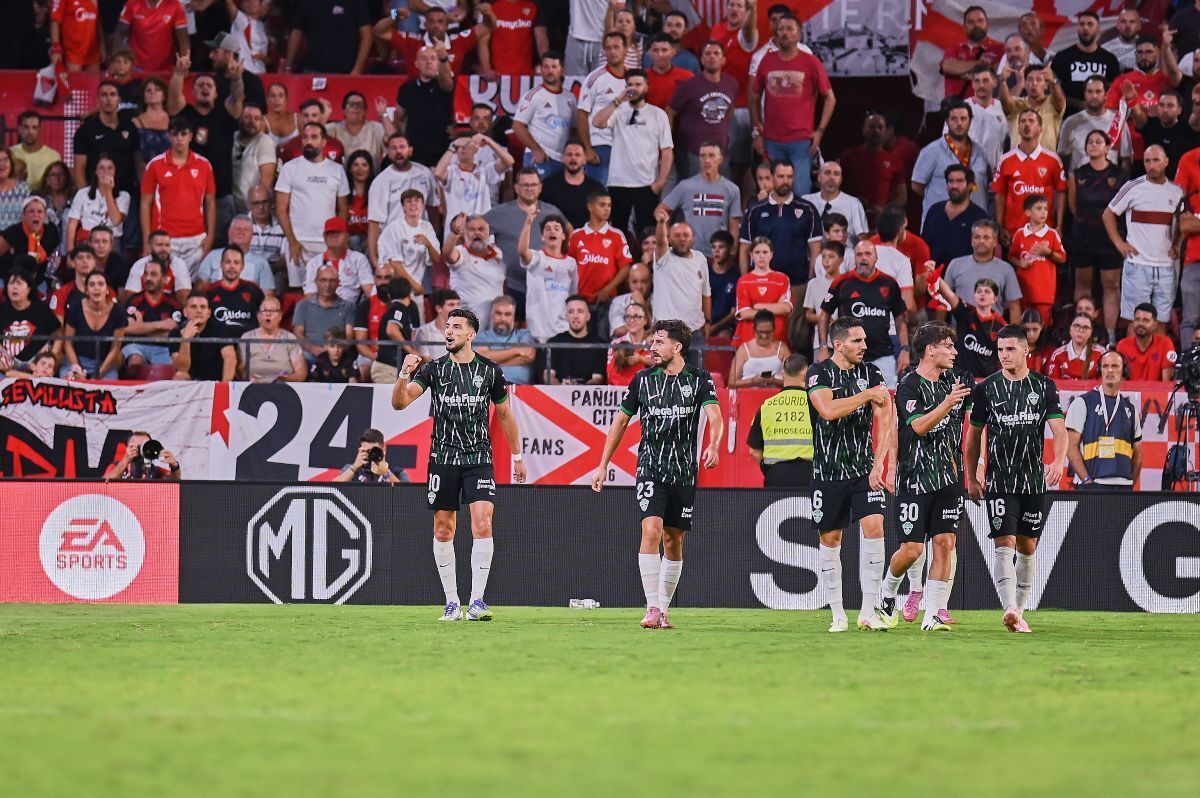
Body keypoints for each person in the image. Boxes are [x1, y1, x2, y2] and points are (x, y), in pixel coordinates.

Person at [394, 309, 527, 621]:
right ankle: (452, 602)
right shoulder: (435, 370)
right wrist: (403, 375)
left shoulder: (490, 372)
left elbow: (505, 415)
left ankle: (477, 600)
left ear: (471, 334)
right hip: (443, 460)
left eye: (456, 327)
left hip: (479, 459)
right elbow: (400, 403)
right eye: (447, 327)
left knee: (482, 523)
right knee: (443, 529)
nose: (449, 332)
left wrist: (518, 457)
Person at [591, 319, 723, 629]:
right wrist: (602, 463)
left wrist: (714, 445)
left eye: (659, 341)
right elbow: (621, 422)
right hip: (650, 467)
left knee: (674, 541)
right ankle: (651, 607)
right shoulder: (642, 380)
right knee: (650, 531)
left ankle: (663, 610)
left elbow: (715, 416)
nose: (652, 347)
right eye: (653, 341)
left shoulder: (700, 379)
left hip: (684, 472)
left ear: (677, 347)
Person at [966, 324, 1068, 633]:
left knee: (1027, 546)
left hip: (1033, 481)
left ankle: (1019, 612)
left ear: (1027, 350)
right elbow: (973, 437)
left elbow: (1059, 430)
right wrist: (971, 476)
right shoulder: (986, 388)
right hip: (1000, 481)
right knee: (1004, 543)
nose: (1004, 355)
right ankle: (1009, 607)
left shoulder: (1044, 386)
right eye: (1000, 350)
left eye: (1010, 349)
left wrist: (1059, 459)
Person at [873, 322, 971, 633]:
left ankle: (933, 615)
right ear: (930, 350)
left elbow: (980, 415)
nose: (954, 352)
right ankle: (888, 594)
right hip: (915, 477)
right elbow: (917, 427)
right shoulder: (908, 385)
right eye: (948, 346)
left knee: (944, 543)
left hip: (949, 477)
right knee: (913, 549)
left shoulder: (956, 381)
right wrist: (947, 403)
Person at [806, 316, 893, 632]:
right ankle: (838, 614)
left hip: (863, 470)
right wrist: (867, 396)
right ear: (838, 344)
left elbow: (886, 417)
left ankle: (869, 611)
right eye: (857, 341)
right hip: (828, 471)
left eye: (865, 340)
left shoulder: (871, 372)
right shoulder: (818, 373)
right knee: (831, 538)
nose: (865, 346)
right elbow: (828, 411)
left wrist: (881, 462)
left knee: (875, 527)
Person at [749, 13, 834, 196]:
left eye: (789, 29)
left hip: (801, 142)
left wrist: (819, 131)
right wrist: (757, 130)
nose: (784, 33)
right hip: (771, 141)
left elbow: (830, 98)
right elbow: (754, 97)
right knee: (774, 193)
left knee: (800, 193)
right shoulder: (766, 60)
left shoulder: (810, 62)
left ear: (799, 34)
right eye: (780, 29)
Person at [1104, 145, 1184, 327]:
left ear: (1166, 162)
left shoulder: (1176, 191)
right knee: (1135, 321)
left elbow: (1182, 223)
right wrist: (1119, 243)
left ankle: (1158, 356)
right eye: (1147, 161)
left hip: (1166, 266)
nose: (1151, 165)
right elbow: (1108, 213)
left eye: (1156, 160)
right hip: (1137, 265)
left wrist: (1177, 245)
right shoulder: (1133, 187)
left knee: (1161, 321)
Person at [593, 69, 673, 238]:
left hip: (646, 183)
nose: (633, 88)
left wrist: (661, 181)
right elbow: (597, 122)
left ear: (646, 87)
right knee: (618, 231)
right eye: (630, 84)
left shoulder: (658, 114)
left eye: (638, 84)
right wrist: (618, 100)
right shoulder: (617, 110)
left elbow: (667, 150)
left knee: (647, 232)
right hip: (618, 182)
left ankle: (645, 264)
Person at [819, 240, 909, 386]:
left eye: (868, 254)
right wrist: (823, 347)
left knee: (886, 401)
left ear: (876, 257)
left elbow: (901, 320)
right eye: (859, 254)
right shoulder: (841, 282)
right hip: (847, 356)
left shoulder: (889, 283)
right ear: (854, 257)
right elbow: (824, 315)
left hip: (883, 356)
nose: (863, 258)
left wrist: (905, 349)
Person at [275, 122, 350, 289]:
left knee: (330, 290)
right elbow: (281, 209)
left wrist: (339, 240)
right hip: (298, 242)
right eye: (305, 137)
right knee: (299, 291)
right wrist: (292, 240)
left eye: (314, 137)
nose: (308, 141)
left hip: (327, 242)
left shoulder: (337, 170)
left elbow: (343, 210)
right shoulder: (289, 168)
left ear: (324, 142)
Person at [140, 115, 216, 276]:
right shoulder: (155, 165)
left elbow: (210, 203)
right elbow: (145, 204)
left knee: (194, 287)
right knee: (165, 285)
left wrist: (210, 236)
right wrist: (147, 240)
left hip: (196, 239)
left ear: (191, 136)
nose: (179, 139)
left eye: (183, 134)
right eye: (175, 134)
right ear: (168, 136)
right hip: (165, 238)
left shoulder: (204, 165)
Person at [1069, 130, 1126, 338]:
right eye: (1090, 142)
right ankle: (1080, 331)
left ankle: (1109, 334)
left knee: (1111, 285)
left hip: (1110, 240)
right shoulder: (1077, 174)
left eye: (1098, 142)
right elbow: (1074, 207)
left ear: (1108, 148)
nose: (1093, 145)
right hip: (1083, 237)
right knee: (1082, 284)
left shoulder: (1119, 175)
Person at [738, 160, 821, 301]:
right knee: (763, 323)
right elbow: (744, 249)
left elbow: (815, 249)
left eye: (789, 177)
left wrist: (810, 280)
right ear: (771, 177)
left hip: (798, 283)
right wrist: (745, 280)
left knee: (796, 324)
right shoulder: (755, 210)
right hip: (761, 282)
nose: (785, 181)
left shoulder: (808, 209)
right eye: (781, 176)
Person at [1065, 351, 1142, 491]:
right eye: (1105, 366)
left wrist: (1130, 482)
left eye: (1115, 366)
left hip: (1123, 485)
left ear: (1123, 371)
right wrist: (1086, 480)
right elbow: (1070, 446)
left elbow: (1138, 453)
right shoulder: (1082, 403)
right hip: (1093, 484)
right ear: (1100, 370)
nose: (1110, 370)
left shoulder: (1131, 409)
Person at [911, 101, 990, 227]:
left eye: (963, 119)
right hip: (940, 223)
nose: (959, 123)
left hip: (975, 225)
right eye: (954, 119)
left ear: (970, 121)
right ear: (947, 122)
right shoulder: (931, 151)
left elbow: (987, 185)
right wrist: (940, 198)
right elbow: (916, 185)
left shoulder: (981, 153)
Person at [657, 142, 741, 258]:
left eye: (711, 156)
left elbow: (734, 227)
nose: (707, 160)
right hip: (691, 254)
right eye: (703, 156)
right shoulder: (686, 186)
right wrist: (671, 239)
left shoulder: (732, 190)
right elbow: (660, 210)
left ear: (721, 159)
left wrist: (732, 253)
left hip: (718, 255)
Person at [368, 134, 442, 263]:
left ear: (410, 150)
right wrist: (374, 258)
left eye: (402, 147)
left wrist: (433, 240)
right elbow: (374, 223)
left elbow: (433, 210)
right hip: (393, 248)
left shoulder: (425, 174)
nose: (398, 151)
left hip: (421, 249)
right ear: (388, 153)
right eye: (393, 148)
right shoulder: (380, 181)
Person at [668, 42, 738, 180]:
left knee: (720, 194)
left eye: (716, 53)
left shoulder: (731, 84)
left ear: (724, 59)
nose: (712, 57)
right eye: (707, 53)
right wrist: (669, 144)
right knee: (695, 196)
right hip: (693, 152)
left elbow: (729, 111)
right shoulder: (689, 85)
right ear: (701, 60)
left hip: (720, 152)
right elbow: (670, 112)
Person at [650, 210, 711, 367]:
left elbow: (706, 293)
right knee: (665, 378)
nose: (682, 239)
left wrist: (708, 322)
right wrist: (662, 223)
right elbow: (660, 241)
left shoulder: (701, 259)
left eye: (686, 235)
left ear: (693, 239)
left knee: (695, 379)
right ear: (670, 238)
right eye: (677, 235)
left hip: (694, 331)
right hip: (666, 331)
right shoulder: (663, 257)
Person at [568, 191, 634, 329]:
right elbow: (569, 267)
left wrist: (607, 290)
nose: (607, 209)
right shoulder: (576, 236)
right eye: (602, 205)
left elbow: (626, 267)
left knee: (603, 340)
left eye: (609, 205)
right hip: (581, 300)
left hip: (607, 301)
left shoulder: (616, 235)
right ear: (590, 207)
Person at [746, 353, 812, 486]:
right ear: (806, 373)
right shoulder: (817, 404)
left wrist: (769, 470)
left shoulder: (766, 406)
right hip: (810, 476)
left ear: (783, 373)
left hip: (776, 476)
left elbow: (754, 451)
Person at [575, 31, 630, 185]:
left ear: (626, 49)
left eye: (616, 47)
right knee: (599, 194)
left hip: (627, 147)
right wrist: (588, 148)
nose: (612, 51)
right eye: (608, 48)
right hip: (601, 146)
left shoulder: (633, 79)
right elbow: (582, 115)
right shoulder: (595, 78)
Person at [942, 219, 1024, 322]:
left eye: (986, 237)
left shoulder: (1006, 269)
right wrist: (940, 331)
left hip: (994, 333)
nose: (981, 241)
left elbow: (1014, 307)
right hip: (960, 333)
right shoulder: (955, 265)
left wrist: (1014, 336)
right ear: (971, 241)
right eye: (977, 237)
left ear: (995, 242)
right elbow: (942, 300)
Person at [512, 51, 576, 180]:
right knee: (537, 197)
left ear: (562, 70)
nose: (549, 71)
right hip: (540, 157)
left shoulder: (570, 97)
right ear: (540, 70)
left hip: (563, 159)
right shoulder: (533, 96)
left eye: (554, 67)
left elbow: (574, 128)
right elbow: (518, 126)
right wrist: (536, 149)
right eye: (546, 67)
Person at [518, 209, 577, 343]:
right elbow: (522, 252)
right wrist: (528, 223)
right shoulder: (538, 258)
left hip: (563, 329)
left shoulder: (571, 263)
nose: (552, 231)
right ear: (542, 236)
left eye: (557, 228)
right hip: (538, 330)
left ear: (563, 235)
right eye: (548, 229)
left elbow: (573, 295)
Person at [1008, 195, 1067, 325]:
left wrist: (1048, 252)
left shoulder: (1052, 234)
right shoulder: (1019, 234)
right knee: (1024, 324)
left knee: (1043, 325)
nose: (1043, 212)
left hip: (1044, 292)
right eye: (1039, 208)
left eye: (1046, 209)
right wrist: (1020, 263)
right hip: (1023, 290)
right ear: (1028, 212)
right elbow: (1011, 256)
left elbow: (1062, 258)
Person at [931, 274, 1004, 378]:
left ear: (995, 298)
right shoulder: (966, 312)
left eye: (987, 291)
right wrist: (933, 273)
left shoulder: (1001, 325)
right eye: (979, 291)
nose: (982, 294)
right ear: (974, 295)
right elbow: (950, 295)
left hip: (986, 382)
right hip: (960, 379)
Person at [394, 46, 456, 168]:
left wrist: (444, 58)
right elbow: (399, 117)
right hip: (415, 152)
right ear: (416, 64)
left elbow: (447, 81)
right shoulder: (407, 89)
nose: (429, 62)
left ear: (438, 63)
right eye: (424, 58)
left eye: (433, 58)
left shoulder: (443, 86)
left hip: (441, 151)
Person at [838, 113, 907, 220]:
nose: (876, 131)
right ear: (864, 130)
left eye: (880, 127)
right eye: (871, 126)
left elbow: (902, 196)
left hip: (880, 222)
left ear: (886, 131)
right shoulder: (848, 157)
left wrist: (884, 210)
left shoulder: (894, 161)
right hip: (850, 218)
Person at [1058, 77, 1132, 173]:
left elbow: (1126, 159)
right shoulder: (1070, 122)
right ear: (1084, 94)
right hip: (1078, 184)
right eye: (1090, 91)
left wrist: (1121, 184)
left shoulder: (1118, 121)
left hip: (1110, 184)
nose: (1094, 96)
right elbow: (1063, 158)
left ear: (1106, 95)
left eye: (1098, 92)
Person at [377, 189, 439, 302]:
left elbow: (437, 260)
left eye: (417, 200)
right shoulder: (395, 228)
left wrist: (429, 245)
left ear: (423, 205)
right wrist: (415, 286)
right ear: (403, 206)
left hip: (416, 289)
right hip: (397, 290)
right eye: (409, 201)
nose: (413, 204)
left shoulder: (427, 227)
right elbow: (395, 263)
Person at [1051, 12, 1120, 112]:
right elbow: (1053, 90)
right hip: (1069, 116)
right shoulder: (1062, 57)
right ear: (1077, 28)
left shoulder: (1109, 59)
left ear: (1098, 28)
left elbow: (1114, 91)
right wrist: (1078, 104)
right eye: (1082, 24)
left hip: (1101, 116)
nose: (1085, 28)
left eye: (1090, 24)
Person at [61, 271, 125, 380]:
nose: (96, 288)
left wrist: (97, 377)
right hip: (76, 360)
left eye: (101, 284)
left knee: (107, 390)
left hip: (105, 364)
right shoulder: (75, 308)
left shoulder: (118, 312)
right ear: (86, 290)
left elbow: (115, 349)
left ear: (107, 290)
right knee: (67, 384)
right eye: (92, 284)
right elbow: (68, 344)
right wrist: (77, 370)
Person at [443, 214, 506, 325]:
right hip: (467, 325)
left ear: (488, 232)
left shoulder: (498, 254)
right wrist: (454, 232)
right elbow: (447, 254)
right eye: (472, 229)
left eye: (481, 229)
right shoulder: (461, 253)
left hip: (494, 326)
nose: (477, 233)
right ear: (465, 232)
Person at [1126, 88, 1200, 179]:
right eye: (1161, 105)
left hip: (1181, 182)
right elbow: (1137, 113)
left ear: (1179, 110)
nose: (1165, 109)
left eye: (1170, 106)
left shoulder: (1187, 128)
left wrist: (1197, 102)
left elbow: (1197, 114)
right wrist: (1131, 99)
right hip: (1153, 182)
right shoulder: (1150, 125)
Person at [122, 258, 181, 371]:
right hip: (135, 345)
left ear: (164, 279)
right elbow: (126, 328)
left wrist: (140, 328)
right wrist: (162, 325)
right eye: (146, 274)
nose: (148, 278)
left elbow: (172, 332)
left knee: (169, 369)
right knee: (135, 361)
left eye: (153, 274)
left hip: (163, 348)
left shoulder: (174, 304)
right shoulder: (133, 301)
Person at [285, 0, 371, 75]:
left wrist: (357, 69)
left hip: (344, 72)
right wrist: (288, 66)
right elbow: (296, 33)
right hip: (311, 70)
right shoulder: (308, 2)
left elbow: (367, 36)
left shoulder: (355, 2)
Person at [733, 236, 790, 345]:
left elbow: (786, 308)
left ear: (771, 254)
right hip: (749, 338)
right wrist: (775, 308)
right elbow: (744, 313)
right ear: (751, 255)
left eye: (765, 252)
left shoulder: (782, 279)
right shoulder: (743, 281)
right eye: (757, 252)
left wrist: (757, 306)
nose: (761, 256)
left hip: (777, 337)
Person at [293, 264, 354, 364]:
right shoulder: (303, 305)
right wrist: (315, 350)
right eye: (323, 280)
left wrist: (333, 352)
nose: (328, 285)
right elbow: (298, 334)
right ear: (316, 282)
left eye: (332, 281)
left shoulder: (348, 307)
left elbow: (349, 336)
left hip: (338, 355)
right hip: (310, 354)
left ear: (338, 283)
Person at [0, 266, 59, 370]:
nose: (14, 287)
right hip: (6, 366)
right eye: (11, 283)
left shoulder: (42, 309)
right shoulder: (2, 309)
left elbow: (58, 334)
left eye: (19, 283)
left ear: (29, 289)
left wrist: (51, 357)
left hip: (38, 366)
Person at [196, 216, 274, 293]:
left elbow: (268, 296)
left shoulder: (261, 262)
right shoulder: (212, 256)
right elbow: (200, 289)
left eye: (246, 229)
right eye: (237, 228)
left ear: (252, 235)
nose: (241, 232)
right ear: (229, 232)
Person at [939, 5, 1004, 100]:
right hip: (956, 110)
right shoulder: (954, 49)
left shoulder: (999, 48)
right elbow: (948, 67)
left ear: (987, 24)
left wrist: (961, 73)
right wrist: (982, 65)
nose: (976, 25)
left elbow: (998, 73)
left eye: (980, 21)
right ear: (964, 26)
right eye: (971, 22)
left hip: (986, 109)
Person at [302, 217, 373, 304]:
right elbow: (310, 295)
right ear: (324, 237)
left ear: (347, 237)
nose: (334, 236)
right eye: (330, 233)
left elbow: (370, 290)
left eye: (338, 232)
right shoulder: (314, 263)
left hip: (351, 310)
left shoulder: (359, 259)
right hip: (323, 310)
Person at [168, 293, 235, 381]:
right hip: (190, 382)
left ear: (209, 313)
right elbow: (182, 369)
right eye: (193, 307)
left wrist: (224, 386)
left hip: (215, 382)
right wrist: (186, 340)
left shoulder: (220, 330)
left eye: (203, 307)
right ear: (185, 312)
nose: (199, 310)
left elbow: (230, 358)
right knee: (179, 376)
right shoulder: (175, 333)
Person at [539, 142, 606, 231]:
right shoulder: (548, 185)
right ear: (563, 158)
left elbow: (602, 220)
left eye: (577, 155)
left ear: (585, 159)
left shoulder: (597, 189)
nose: (573, 158)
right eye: (569, 155)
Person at [239, 296, 306, 383]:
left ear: (280, 316)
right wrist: (251, 381)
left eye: (273, 311)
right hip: (254, 388)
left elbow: (301, 373)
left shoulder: (290, 338)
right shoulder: (247, 337)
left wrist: (286, 379)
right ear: (258, 315)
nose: (268, 314)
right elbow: (240, 369)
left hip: (283, 388)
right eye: (264, 310)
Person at [65, 155, 128, 248]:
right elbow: (72, 223)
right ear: (96, 171)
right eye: (101, 168)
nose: (106, 172)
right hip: (87, 239)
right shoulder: (82, 193)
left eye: (110, 168)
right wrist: (70, 251)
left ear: (115, 171)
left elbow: (116, 221)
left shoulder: (124, 196)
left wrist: (108, 192)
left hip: (111, 241)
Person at [203, 245, 263, 339]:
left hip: (247, 345)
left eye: (236, 262)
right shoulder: (208, 291)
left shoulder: (254, 290)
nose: (232, 266)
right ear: (221, 264)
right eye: (228, 262)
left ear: (242, 266)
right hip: (216, 346)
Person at [473, 296, 536, 385]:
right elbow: (482, 358)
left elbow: (528, 355)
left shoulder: (524, 334)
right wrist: (517, 350)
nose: (503, 319)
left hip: (521, 389)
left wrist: (493, 364)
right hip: (489, 388)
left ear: (514, 317)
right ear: (492, 315)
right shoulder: (482, 336)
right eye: (498, 313)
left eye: (508, 314)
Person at [0, 196, 61, 286]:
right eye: (31, 211)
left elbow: (54, 256)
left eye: (40, 212)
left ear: (44, 216)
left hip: (39, 281)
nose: (35, 215)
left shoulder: (51, 232)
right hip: (10, 281)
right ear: (23, 216)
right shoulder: (13, 232)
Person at [545, 296, 606, 385]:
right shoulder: (553, 343)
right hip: (558, 395)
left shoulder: (599, 345)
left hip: (588, 397)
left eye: (580, 311)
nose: (575, 316)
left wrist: (578, 389)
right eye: (571, 312)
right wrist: (561, 387)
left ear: (588, 316)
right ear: (566, 316)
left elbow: (597, 379)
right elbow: (548, 377)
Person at [115, 0, 189, 72]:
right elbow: (119, 34)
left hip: (164, 68)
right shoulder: (132, 3)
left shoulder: (176, 6)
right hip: (136, 68)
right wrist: (115, 61)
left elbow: (183, 41)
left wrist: (184, 62)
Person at [803, 161, 869, 241]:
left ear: (841, 180)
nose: (831, 177)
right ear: (819, 177)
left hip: (844, 251)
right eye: (827, 173)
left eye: (836, 174)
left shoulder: (853, 203)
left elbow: (862, 237)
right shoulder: (805, 201)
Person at [232, 103, 276, 215]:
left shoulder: (265, 142)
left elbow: (266, 181)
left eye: (257, 118)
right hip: (229, 205)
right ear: (239, 118)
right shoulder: (231, 138)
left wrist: (257, 210)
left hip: (251, 208)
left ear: (262, 122)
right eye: (247, 117)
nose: (252, 122)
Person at [1116, 303, 1178, 381]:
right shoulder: (1123, 345)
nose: (1140, 323)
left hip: (1157, 392)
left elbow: (1167, 383)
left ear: (1155, 325)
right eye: (1137, 319)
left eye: (1146, 320)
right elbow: (1120, 382)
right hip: (1130, 392)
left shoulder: (1165, 343)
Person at [327, 92, 388, 169]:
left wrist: (383, 114)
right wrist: (324, 117)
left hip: (373, 179)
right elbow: (315, 138)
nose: (355, 108)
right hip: (340, 179)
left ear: (365, 111)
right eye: (351, 105)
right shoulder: (333, 128)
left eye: (359, 105)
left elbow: (393, 139)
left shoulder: (375, 128)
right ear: (344, 111)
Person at [731, 309, 789, 388]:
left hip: (777, 397)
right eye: (760, 332)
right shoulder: (743, 350)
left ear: (774, 329)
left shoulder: (782, 348)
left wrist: (774, 381)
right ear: (754, 329)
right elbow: (732, 382)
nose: (764, 336)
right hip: (749, 395)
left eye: (768, 332)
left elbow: (793, 381)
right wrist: (752, 381)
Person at [1044, 312, 1104, 380]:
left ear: (1091, 333)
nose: (1080, 330)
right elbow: (1053, 385)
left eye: (1086, 327)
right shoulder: (1057, 355)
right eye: (1076, 326)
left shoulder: (1101, 354)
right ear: (1070, 329)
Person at [49, 0, 104, 73]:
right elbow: (55, 21)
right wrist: (56, 47)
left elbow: (97, 22)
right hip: (72, 50)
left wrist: (102, 45)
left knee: (93, 82)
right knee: (74, 81)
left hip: (92, 50)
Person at [11, 111, 62, 190]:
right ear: (19, 129)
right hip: (15, 200)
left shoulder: (53, 157)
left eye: (34, 127)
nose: (30, 132)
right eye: (26, 127)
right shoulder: (10, 154)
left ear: (40, 130)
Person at [333, 429, 404, 484]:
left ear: (384, 450)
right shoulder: (351, 469)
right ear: (360, 450)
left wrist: (386, 473)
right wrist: (354, 467)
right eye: (367, 451)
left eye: (374, 450)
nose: (371, 454)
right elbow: (332, 489)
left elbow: (408, 494)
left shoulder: (396, 471)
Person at [607, 301, 652, 386]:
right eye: (628, 316)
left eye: (636, 317)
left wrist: (641, 359)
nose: (631, 320)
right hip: (620, 391)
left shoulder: (653, 343)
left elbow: (664, 367)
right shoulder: (615, 343)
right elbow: (610, 375)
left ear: (645, 320)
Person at [103, 431, 181, 481]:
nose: (139, 450)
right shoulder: (116, 465)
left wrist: (175, 466)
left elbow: (175, 482)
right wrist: (125, 460)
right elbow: (103, 483)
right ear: (128, 448)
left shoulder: (155, 470)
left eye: (143, 446)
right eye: (136, 446)